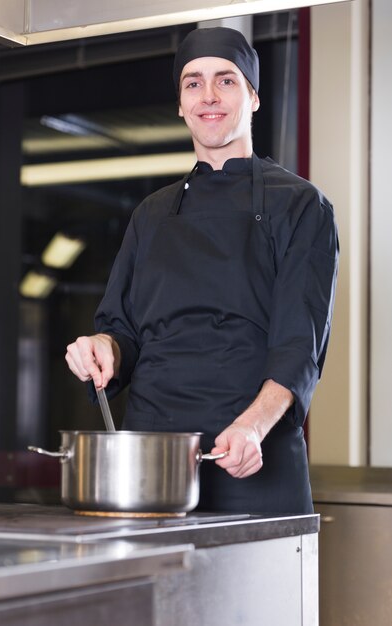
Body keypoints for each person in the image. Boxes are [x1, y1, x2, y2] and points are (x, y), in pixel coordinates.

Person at [65, 27, 339, 515]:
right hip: (154, 462)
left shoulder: (301, 206)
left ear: (253, 97)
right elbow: (121, 331)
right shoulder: (151, 214)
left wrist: (252, 427)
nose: (208, 97)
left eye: (226, 81)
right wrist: (101, 349)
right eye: (193, 83)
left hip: (253, 459)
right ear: (179, 103)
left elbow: (300, 347)